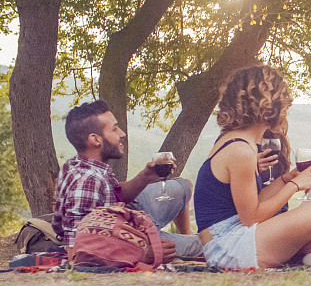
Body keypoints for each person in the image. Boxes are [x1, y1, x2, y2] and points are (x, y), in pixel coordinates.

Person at [193, 65, 311, 268]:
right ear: (270, 104)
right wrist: (294, 186)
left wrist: (284, 180)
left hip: (231, 239)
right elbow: (251, 217)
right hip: (226, 247)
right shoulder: (240, 150)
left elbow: (253, 203)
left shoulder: (241, 142)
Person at [51, 100, 201, 258]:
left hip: (126, 213)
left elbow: (114, 194)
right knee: (206, 245)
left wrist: (146, 176)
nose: (122, 133)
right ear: (96, 139)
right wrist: (143, 254)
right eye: (115, 129)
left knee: (184, 186)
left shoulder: (82, 164)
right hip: (124, 239)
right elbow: (76, 252)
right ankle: (189, 247)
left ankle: (186, 236)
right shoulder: (87, 182)